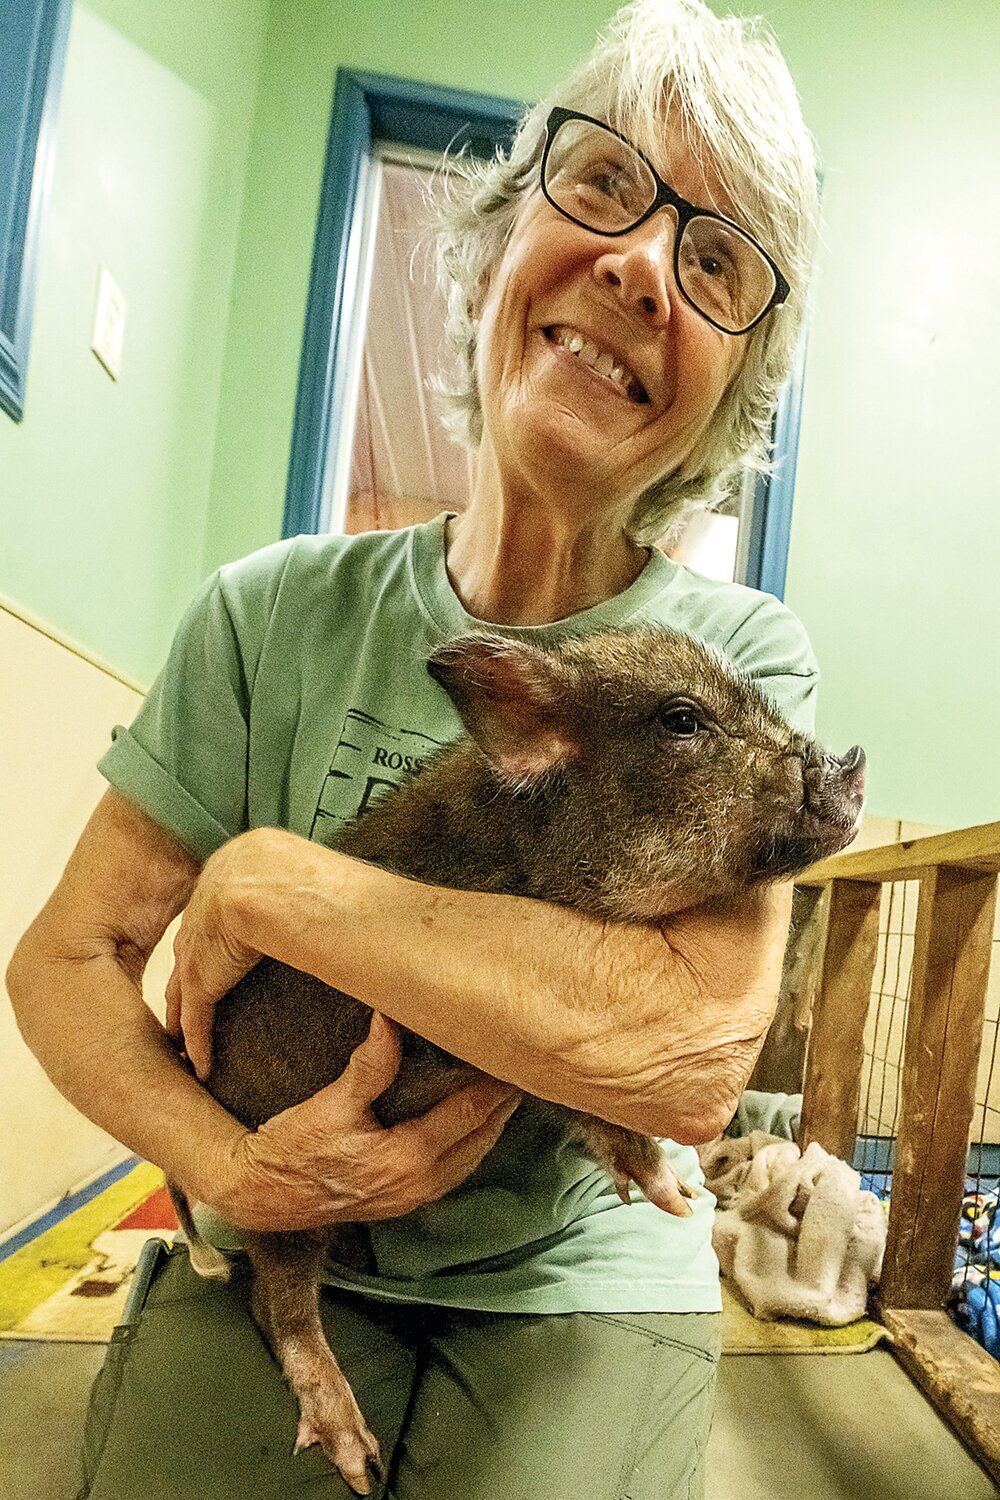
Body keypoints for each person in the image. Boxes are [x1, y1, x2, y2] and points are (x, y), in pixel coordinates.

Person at [8, 1, 822, 1495]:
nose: (643, 264)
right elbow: (59, 964)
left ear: (732, 384)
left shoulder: (742, 658)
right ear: (502, 241)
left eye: (715, 263)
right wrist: (234, 1172)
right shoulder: (266, 613)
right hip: (277, 1220)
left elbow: (689, 1056)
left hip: (574, 1266)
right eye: (602, 187)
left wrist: (268, 886)